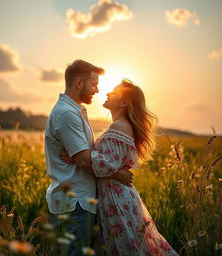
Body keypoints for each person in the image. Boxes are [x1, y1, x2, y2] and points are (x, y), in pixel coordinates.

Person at [60, 79, 179, 255]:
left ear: (124, 102)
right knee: (126, 244)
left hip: (116, 197)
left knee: (126, 245)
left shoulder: (119, 126)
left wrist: (78, 155)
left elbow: (105, 163)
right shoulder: (121, 126)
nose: (107, 93)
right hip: (114, 192)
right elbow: (110, 163)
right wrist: (116, 172)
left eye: (114, 92)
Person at [44, 60, 134, 256]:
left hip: (77, 201)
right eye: (93, 84)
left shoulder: (74, 111)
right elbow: (85, 159)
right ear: (79, 83)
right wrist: (117, 173)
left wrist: (79, 156)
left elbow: (84, 155)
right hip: (75, 202)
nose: (97, 89)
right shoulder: (67, 114)